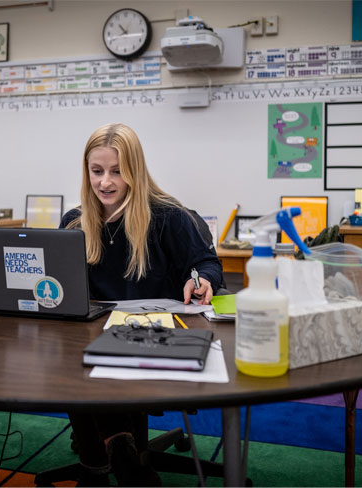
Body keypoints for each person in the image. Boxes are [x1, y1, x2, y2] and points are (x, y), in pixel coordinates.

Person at [60, 123, 224, 486]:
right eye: (96, 171)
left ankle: (103, 461)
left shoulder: (168, 217)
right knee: (70, 356)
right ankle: (118, 455)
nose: (105, 182)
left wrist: (201, 280)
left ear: (135, 169)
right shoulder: (74, 222)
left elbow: (208, 264)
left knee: (101, 360)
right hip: (90, 330)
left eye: (117, 171)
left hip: (153, 333)